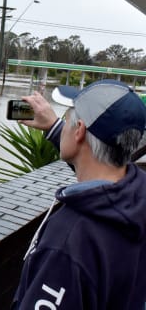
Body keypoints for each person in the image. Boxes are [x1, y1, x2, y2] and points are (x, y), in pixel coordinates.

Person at [11, 79, 146, 309]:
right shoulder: (138, 189)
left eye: (67, 119)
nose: (64, 124)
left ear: (80, 131)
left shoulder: (67, 245)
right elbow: (99, 171)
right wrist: (55, 128)